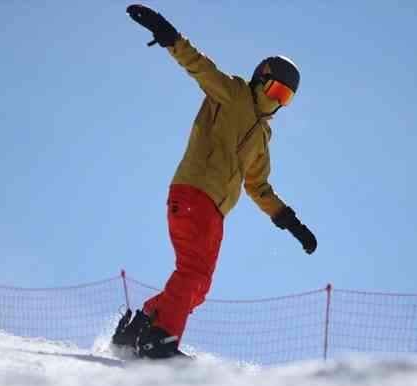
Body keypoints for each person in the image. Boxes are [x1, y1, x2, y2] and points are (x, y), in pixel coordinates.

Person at [113, 4, 317, 359]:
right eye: (275, 90)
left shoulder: (263, 138)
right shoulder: (234, 93)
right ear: (260, 79)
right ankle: (159, 339)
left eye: (285, 98)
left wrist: (290, 222)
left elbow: (259, 186)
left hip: (213, 209)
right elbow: (199, 67)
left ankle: (144, 324)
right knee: (192, 272)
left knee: (199, 285)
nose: (276, 101)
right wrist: (168, 34)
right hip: (195, 192)